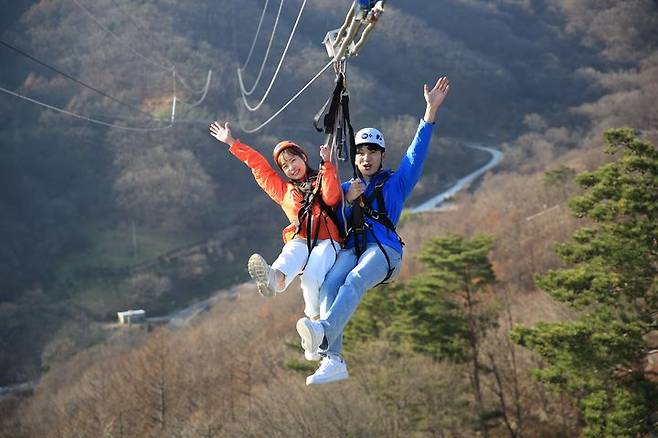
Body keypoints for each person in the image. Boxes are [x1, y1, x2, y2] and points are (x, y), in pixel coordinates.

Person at [295, 76, 451, 384]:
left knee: (353, 281)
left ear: (382, 156)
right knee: (329, 285)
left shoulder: (396, 183)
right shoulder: (345, 187)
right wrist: (346, 201)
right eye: (361, 153)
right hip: (353, 249)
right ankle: (333, 360)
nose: (366, 158)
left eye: (372, 152)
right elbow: (329, 221)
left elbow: (415, 154)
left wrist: (429, 113)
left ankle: (324, 337)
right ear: (355, 157)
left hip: (384, 252)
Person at [208, 122, 344, 360]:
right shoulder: (284, 191)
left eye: (294, 160)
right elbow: (260, 167)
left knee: (311, 278)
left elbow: (332, 198)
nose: (291, 167)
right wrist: (232, 143)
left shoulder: (321, 177)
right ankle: (276, 278)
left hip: (328, 240)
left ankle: (314, 325)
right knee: (290, 252)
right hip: (302, 238)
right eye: (285, 165)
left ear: (303, 157)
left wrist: (328, 165)